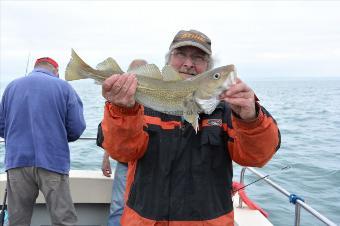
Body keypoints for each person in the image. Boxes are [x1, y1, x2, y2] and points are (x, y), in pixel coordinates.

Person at [98, 30, 281, 225]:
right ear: (168, 61)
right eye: (180, 54)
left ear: (208, 68)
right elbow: (122, 153)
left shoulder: (231, 110)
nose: (188, 63)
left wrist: (251, 119)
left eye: (198, 58)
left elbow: (256, 157)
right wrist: (122, 111)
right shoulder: (137, 104)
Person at [0, 57, 86, 225]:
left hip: (17, 161)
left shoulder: (11, 87)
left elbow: (1, 126)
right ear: (56, 71)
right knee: (63, 220)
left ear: (35, 67)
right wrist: (59, 137)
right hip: (52, 160)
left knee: (17, 221)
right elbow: (76, 127)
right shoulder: (64, 87)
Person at [98, 59, 148, 226]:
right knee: (119, 206)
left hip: (146, 162)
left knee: (141, 208)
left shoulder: (151, 95)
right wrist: (106, 158)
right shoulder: (120, 97)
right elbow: (112, 131)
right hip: (125, 162)